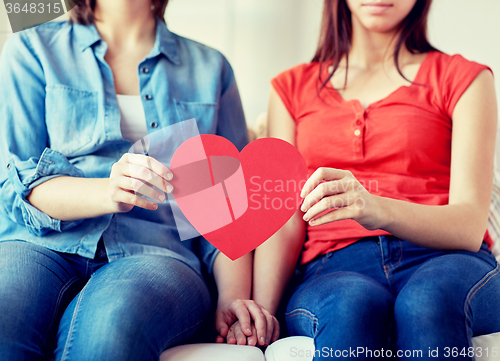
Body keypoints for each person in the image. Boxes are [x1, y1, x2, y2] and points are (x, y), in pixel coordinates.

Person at [0, 0, 278, 360]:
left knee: (111, 325)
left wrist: (233, 297)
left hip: (158, 253)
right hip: (40, 244)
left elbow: (226, 209)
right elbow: (16, 186)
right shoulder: (32, 49)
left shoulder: (212, 69)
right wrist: (107, 191)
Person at [250, 0, 500, 358]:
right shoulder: (291, 89)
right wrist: (262, 309)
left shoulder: (465, 78)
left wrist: (375, 207)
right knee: (352, 307)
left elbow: (469, 225)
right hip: (333, 266)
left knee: (427, 300)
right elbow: (286, 217)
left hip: (449, 260)